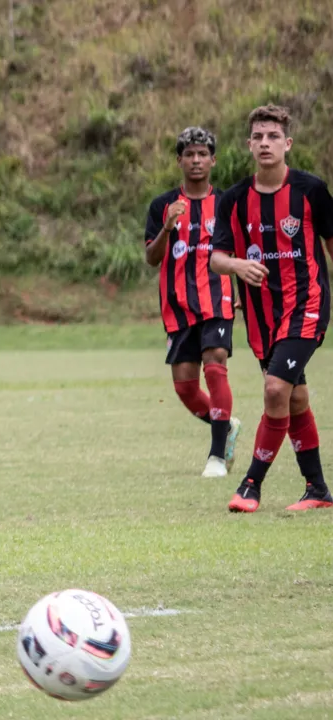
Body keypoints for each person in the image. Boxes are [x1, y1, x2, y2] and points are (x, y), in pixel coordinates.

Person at [210, 104, 333, 513]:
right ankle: (317, 489)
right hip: (261, 316)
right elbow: (216, 258)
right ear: (249, 145)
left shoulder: (311, 191)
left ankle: (250, 485)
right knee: (293, 398)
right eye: (258, 137)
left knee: (275, 388)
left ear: (287, 144)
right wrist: (238, 265)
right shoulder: (233, 200)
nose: (265, 143)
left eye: (273, 136)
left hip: (307, 303)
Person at [144, 127, 241, 478]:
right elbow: (152, 258)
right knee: (186, 387)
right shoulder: (162, 206)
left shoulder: (228, 203)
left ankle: (217, 456)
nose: (196, 160)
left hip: (217, 298)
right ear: (179, 161)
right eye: (190, 155)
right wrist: (167, 228)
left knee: (215, 363)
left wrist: (243, 292)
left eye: (203, 154)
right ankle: (226, 425)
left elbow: (241, 251)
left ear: (213, 160)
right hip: (178, 305)